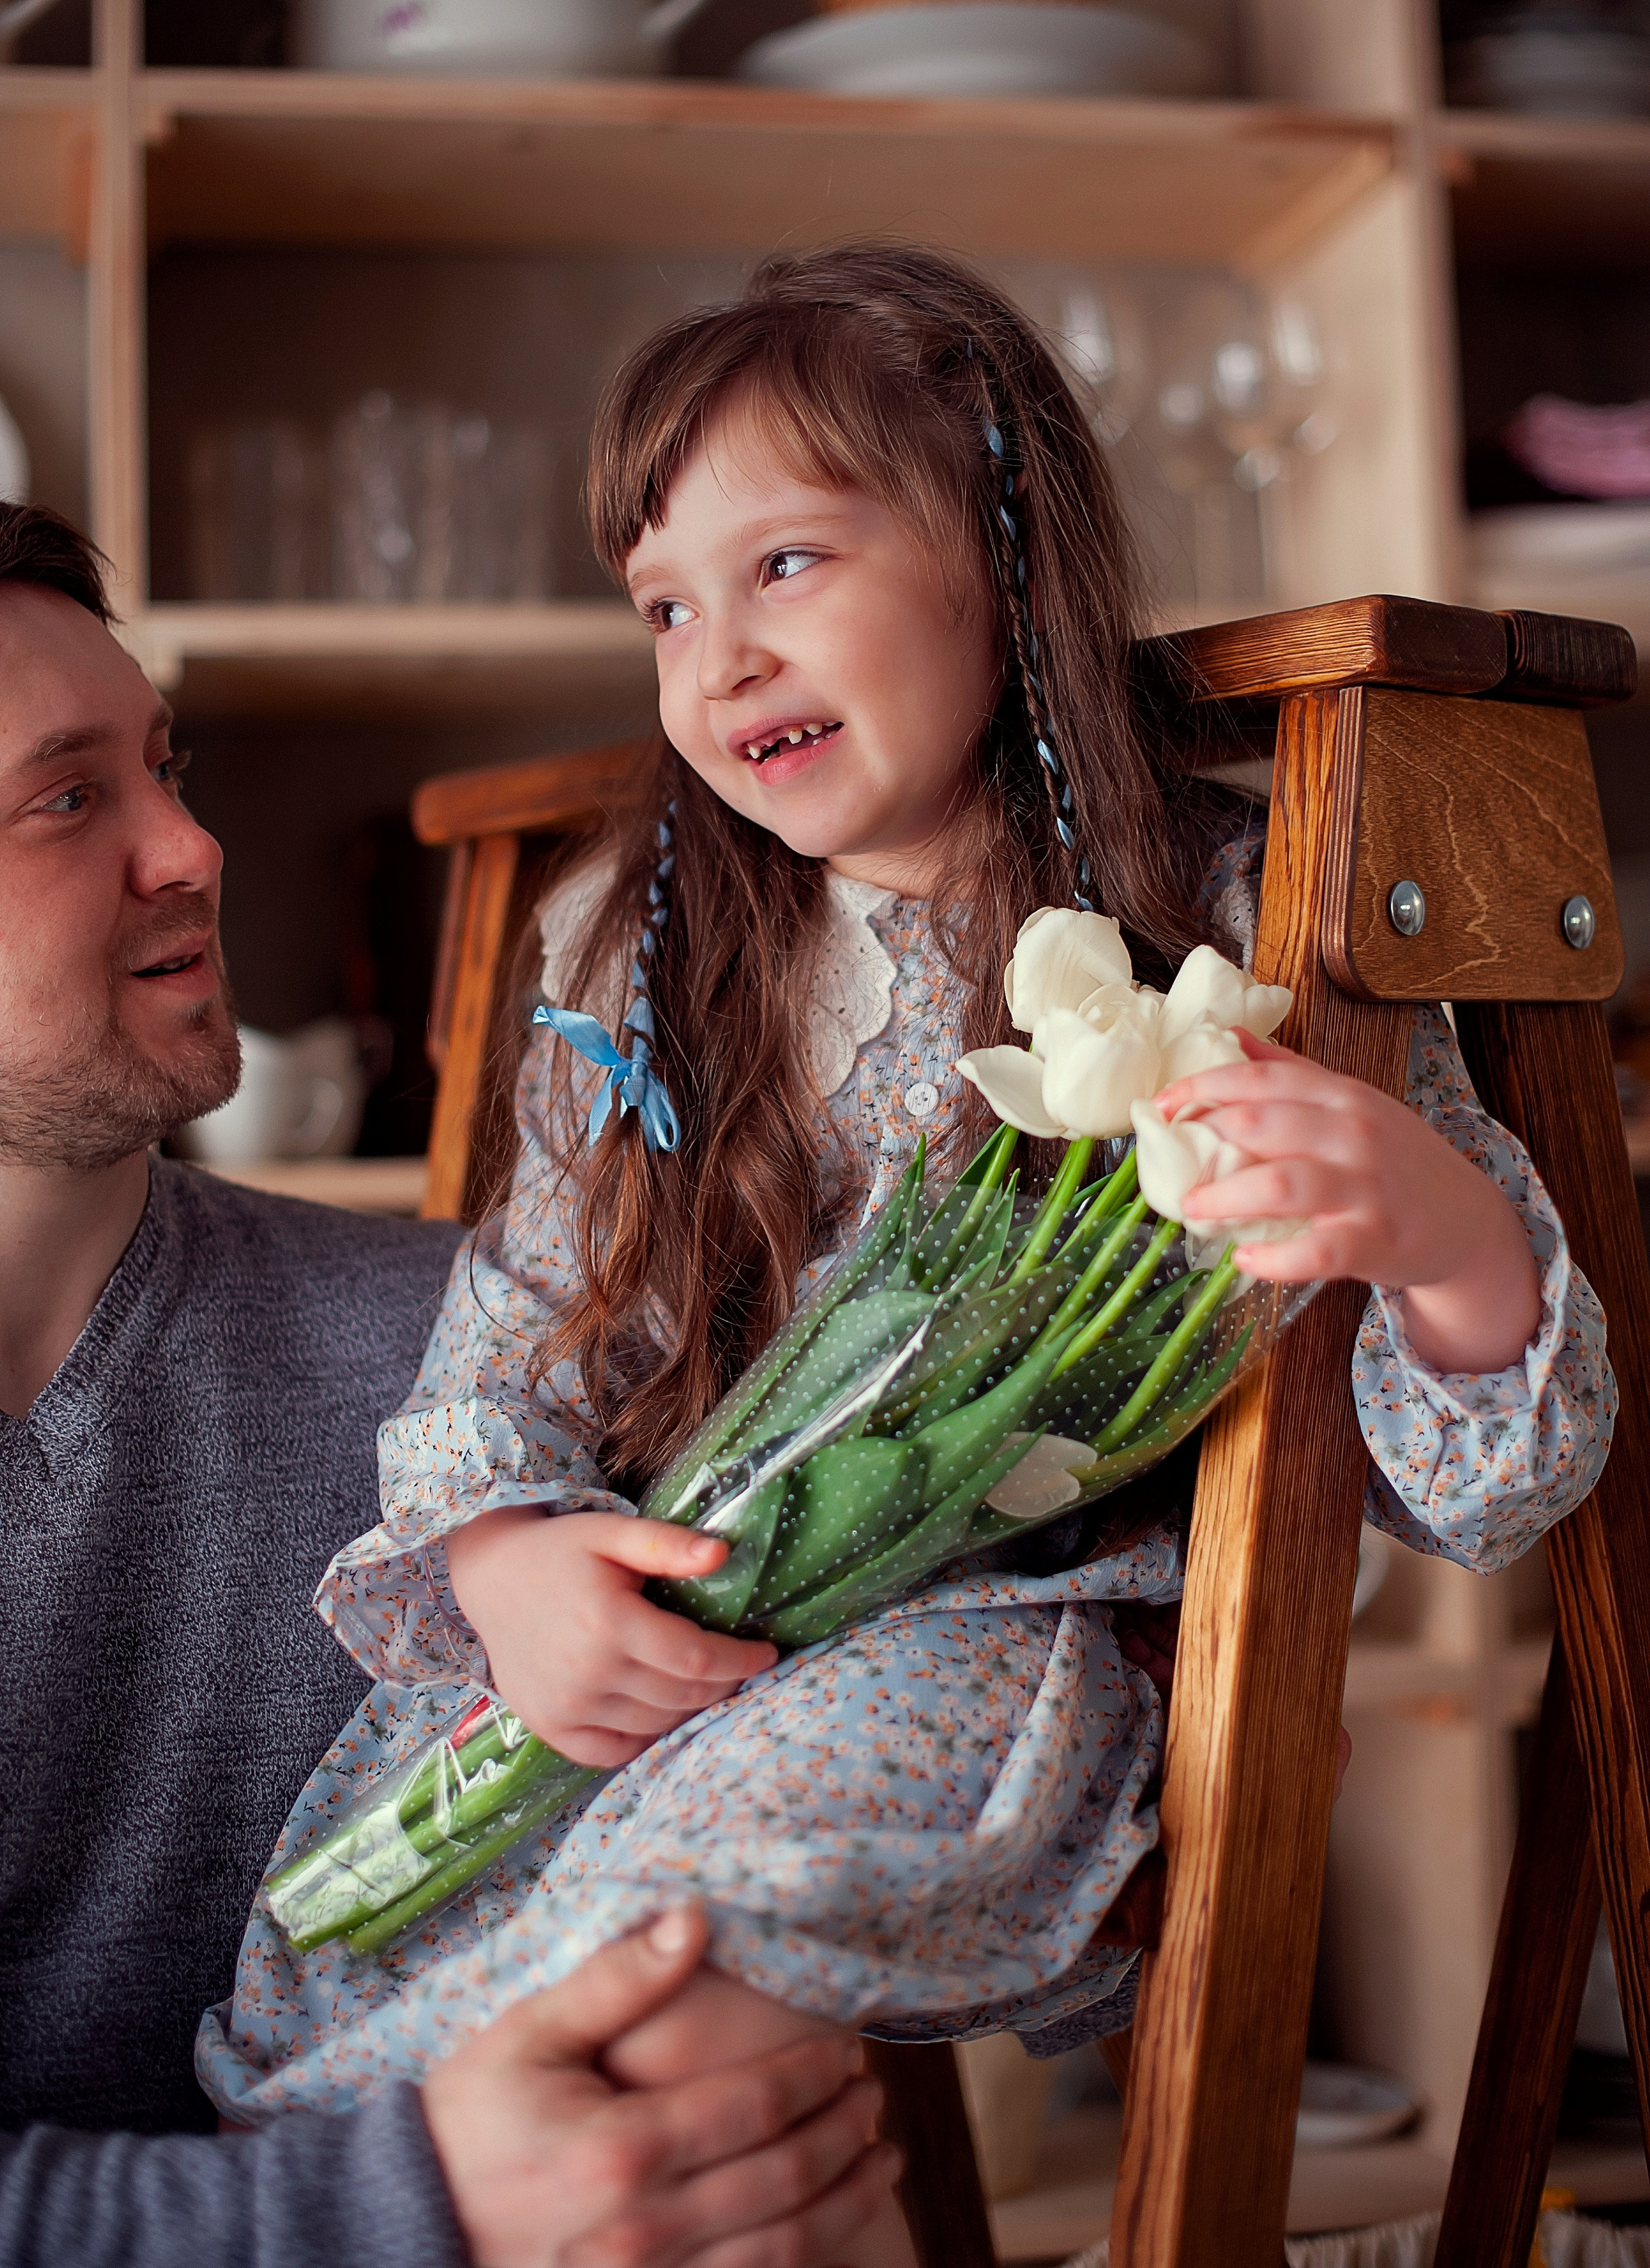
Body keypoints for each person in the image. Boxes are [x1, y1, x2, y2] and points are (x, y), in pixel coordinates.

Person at [204, 244, 1613, 2175]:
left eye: (789, 564)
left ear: (1010, 558)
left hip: (991, 1643)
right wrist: (507, 1555)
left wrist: (1444, 1240)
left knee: (639, 1988)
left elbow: (1482, 1485)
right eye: (665, 605)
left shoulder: (1237, 919)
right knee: (328, 2005)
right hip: (677, 1621)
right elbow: (524, 1322)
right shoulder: (631, 939)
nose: (722, 657)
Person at [0, 503, 897, 2268]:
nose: (192, 845)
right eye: (64, 797)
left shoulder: (499, 1386)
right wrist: (393, 2209)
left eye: (166, 767)